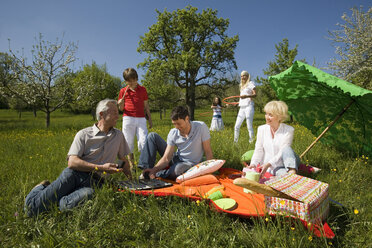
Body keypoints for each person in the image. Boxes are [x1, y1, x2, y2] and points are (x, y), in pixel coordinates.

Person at [24, 99, 132, 217]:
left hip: (95, 183)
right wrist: (101, 168)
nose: (118, 115)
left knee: (67, 206)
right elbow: (72, 162)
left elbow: (123, 160)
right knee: (32, 210)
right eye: (114, 112)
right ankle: (41, 188)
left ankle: (56, 196)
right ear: (102, 114)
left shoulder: (119, 135)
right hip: (74, 175)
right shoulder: (83, 134)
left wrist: (132, 182)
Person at [138, 106, 213, 181]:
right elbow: (166, 158)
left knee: (177, 170)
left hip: (189, 164)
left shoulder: (201, 127)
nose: (177, 127)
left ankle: (158, 174)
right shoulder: (173, 132)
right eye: (174, 124)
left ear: (187, 119)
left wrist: (209, 170)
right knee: (152, 136)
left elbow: (208, 151)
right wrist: (154, 169)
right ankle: (146, 171)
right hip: (176, 158)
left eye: (179, 124)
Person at [246, 100, 299, 177]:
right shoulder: (261, 129)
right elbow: (258, 149)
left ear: (279, 117)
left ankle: (292, 171)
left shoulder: (289, 130)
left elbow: (282, 151)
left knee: (286, 148)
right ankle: (292, 176)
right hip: (274, 167)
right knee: (284, 176)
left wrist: (268, 164)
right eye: (266, 114)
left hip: (287, 160)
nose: (267, 117)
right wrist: (253, 164)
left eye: (270, 115)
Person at [118, 68, 152, 169]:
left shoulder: (142, 89)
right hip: (128, 118)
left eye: (134, 80)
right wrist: (120, 104)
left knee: (143, 141)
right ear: (125, 81)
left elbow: (146, 106)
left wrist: (149, 119)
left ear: (137, 78)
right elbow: (121, 109)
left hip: (141, 118)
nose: (132, 82)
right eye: (129, 81)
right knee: (128, 142)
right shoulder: (123, 91)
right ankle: (132, 164)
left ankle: (143, 163)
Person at [234, 71, 256, 143]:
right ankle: (235, 142)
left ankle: (251, 142)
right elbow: (242, 99)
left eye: (244, 76)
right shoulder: (241, 86)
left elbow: (255, 94)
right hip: (242, 107)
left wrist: (247, 96)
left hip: (249, 106)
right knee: (236, 126)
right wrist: (237, 102)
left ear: (247, 76)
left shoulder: (251, 83)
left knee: (249, 126)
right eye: (241, 76)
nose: (242, 77)